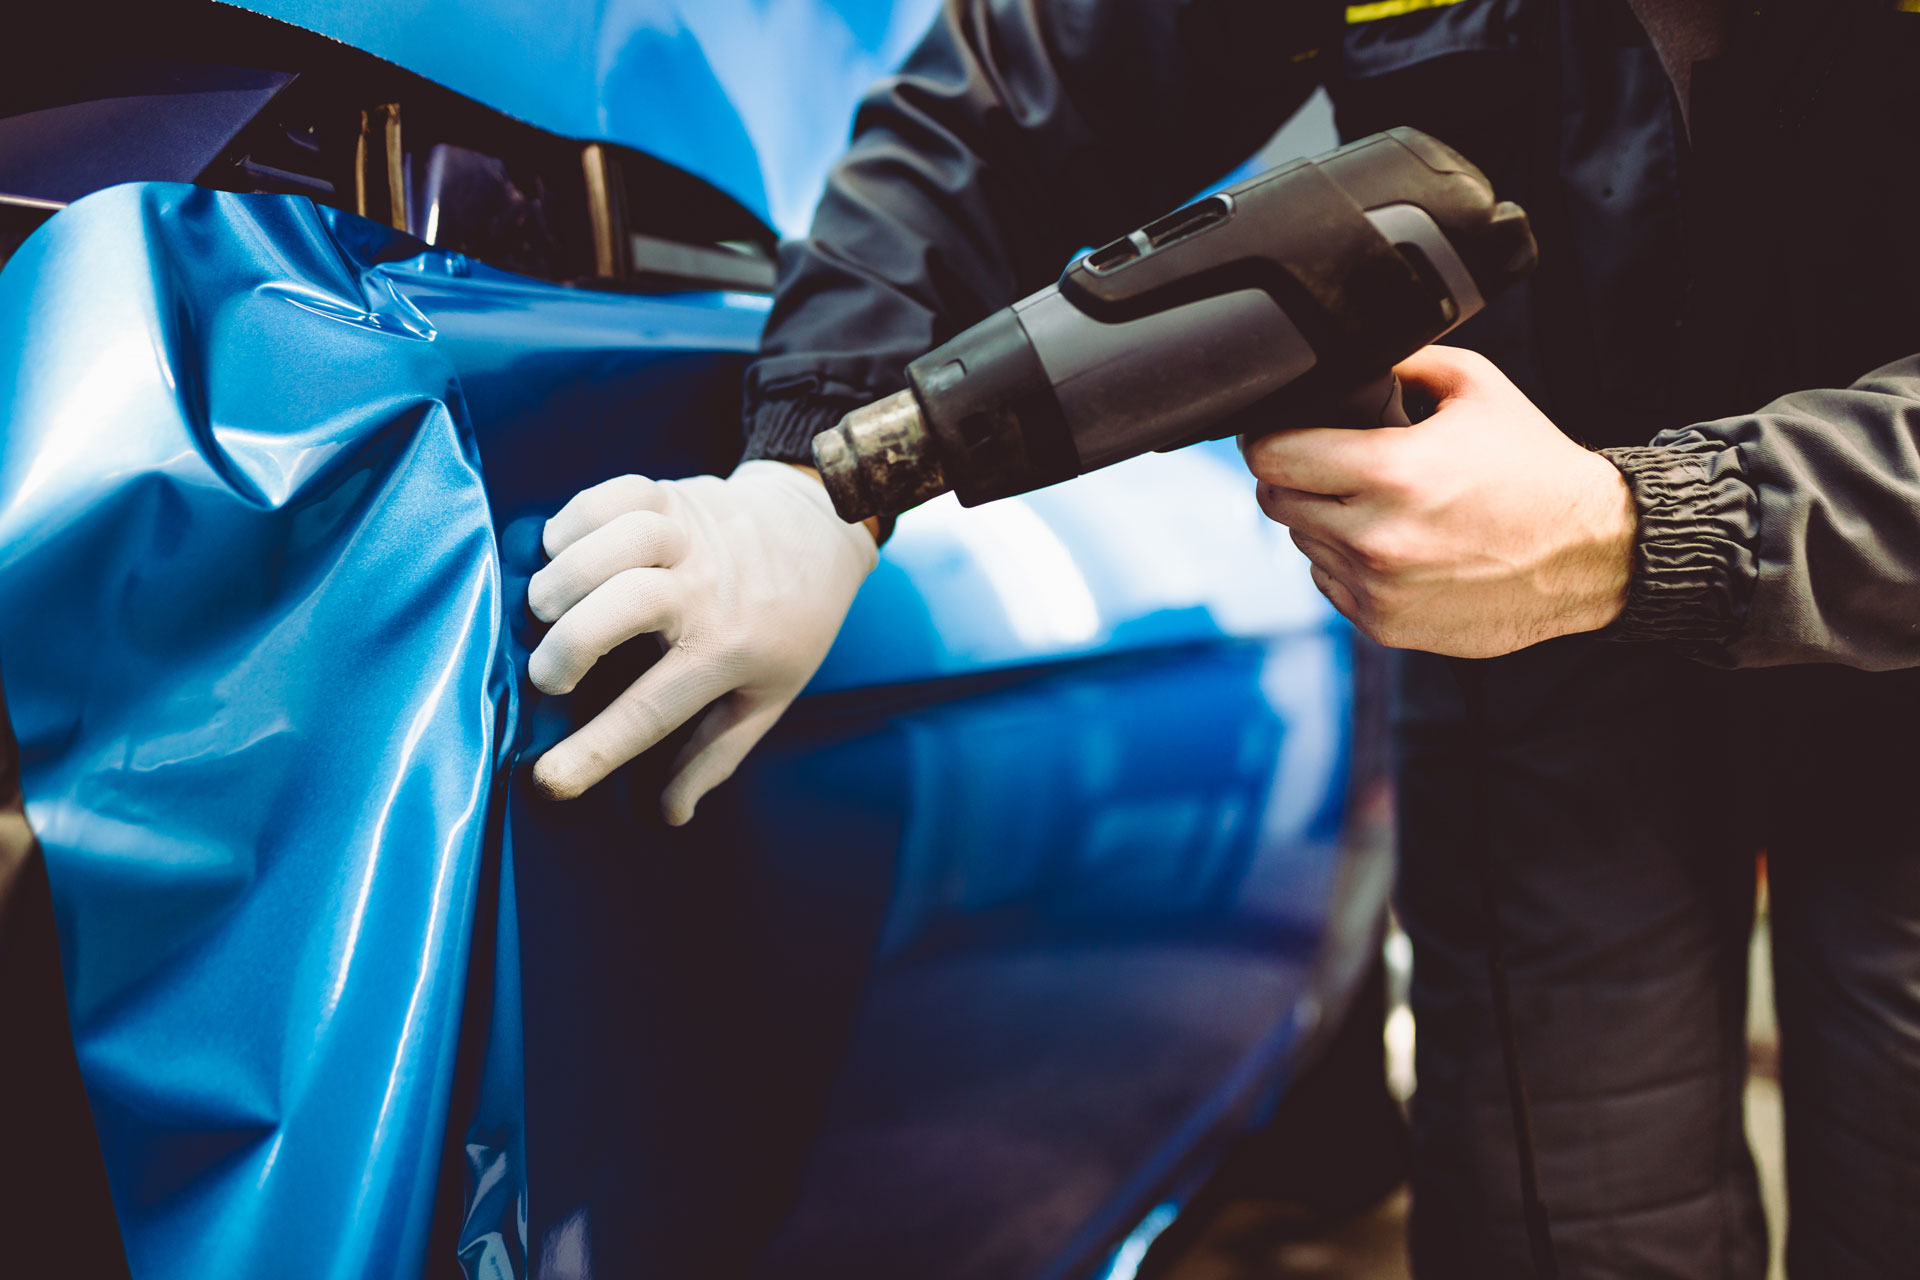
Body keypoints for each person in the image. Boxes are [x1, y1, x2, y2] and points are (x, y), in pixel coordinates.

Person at [524, 2, 1920, 1274]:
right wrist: (817, 471)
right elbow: (1004, 109)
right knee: (1566, 1221)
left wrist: (1642, 530)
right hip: (1534, 658)